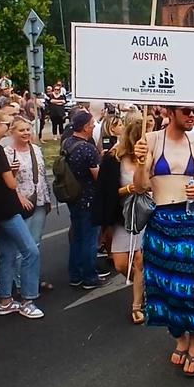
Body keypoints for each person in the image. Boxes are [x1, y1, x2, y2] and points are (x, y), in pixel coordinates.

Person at [133, 105, 194, 377]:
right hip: (158, 219)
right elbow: (141, 187)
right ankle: (178, 334)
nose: (193, 116)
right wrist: (141, 162)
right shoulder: (151, 140)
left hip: (187, 221)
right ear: (171, 112)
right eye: (187, 111)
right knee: (158, 285)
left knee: (182, 284)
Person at [0, 109, 44, 319]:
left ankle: (6, 300)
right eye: (6, 123)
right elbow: (11, 183)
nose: (8, 127)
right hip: (6, 208)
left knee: (6, 254)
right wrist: (12, 174)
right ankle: (28, 299)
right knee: (30, 251)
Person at [94, 118, 146, 324]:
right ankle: (145, 286)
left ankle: (136, 305)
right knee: (121, 264)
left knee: (141, 260)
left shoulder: (149, 158)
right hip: (122, 216)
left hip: (145, 214)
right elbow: (105, 193)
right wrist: (128, 189)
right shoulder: (113, 159)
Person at [4, 117, 52, 289]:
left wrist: (47, 199)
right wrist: (19, 196)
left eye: (28, 129)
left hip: (39, 200)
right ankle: (20, 282)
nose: (26, 133)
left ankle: (34, 279)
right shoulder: (7, 153)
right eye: (21, 130)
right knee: (23, 246)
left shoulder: (36, 149)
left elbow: (42, 175)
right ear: (12, 132)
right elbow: (5, 180)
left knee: (36, 242)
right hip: (21, 203)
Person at [63, 111, 110, 290]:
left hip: (73, 196)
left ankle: (75, 274)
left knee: (77, 238)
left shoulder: (68, 142)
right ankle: (89, 276)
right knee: (90, 239)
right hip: (88, 198)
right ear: (85, 127)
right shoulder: (87, 148)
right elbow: (97, 176)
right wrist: (104, 160)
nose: (94, 126)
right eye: (92, 124)